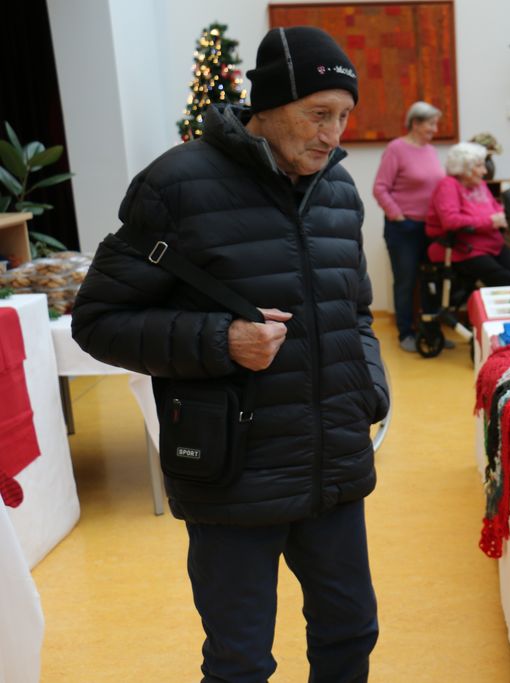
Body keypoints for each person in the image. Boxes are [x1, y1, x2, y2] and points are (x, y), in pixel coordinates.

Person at [71, 27, 386, 683]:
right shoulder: (176, 185)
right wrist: (221, 341)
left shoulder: (337, 189)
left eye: (343, 116)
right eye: (318, 113)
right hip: (234, 472)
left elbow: (355, 310)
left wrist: (368, 391)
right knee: (240, 660)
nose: (332, 134)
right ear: (267, 105)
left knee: (351, 631)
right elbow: (99, 322)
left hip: (332, 463)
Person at [373, 100, 446, 352]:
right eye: (431, 124)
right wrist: (398, 216)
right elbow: (380, 188)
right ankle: (406, 333)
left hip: (430, 228)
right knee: (405, 282)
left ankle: (431, 333)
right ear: (415, 123)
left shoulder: (431, 150)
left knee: (431, 282)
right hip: (404, 229)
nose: (435, 129)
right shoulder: (396, 149)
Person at [425, 142, 510, 287]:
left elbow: (496, 208)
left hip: (492, 243)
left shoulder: (480, 184)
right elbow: (451, 221)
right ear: (464, 168)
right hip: (464, 248)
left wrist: (504, 217)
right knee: (505, 279)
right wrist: (490, 222)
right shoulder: (448, 185)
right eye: (479, 166)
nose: (484, 171)